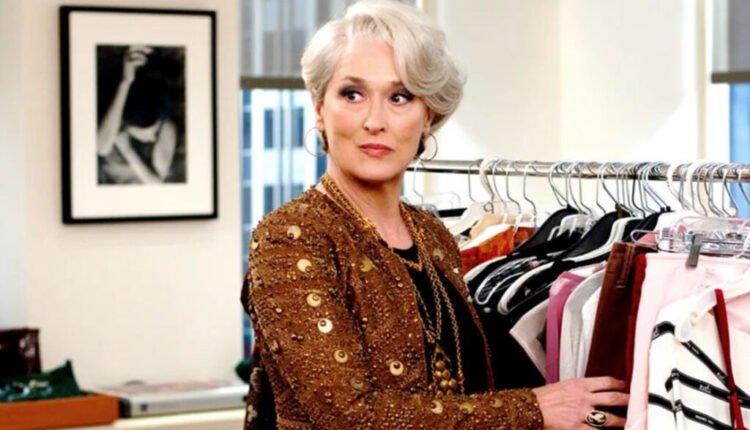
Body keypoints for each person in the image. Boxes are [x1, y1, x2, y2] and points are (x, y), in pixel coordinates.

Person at [240, 1, 629, 429]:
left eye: (399, 97)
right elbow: (346, 416)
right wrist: (534, 409)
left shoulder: (431, 234)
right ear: (319, 109)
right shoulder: (292, 238)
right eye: (352, 94)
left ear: (427, 117)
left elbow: (467, 389)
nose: (375, 120)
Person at [97, 45, 183, 185]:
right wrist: (126, 82)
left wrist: (128, 150)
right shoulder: (113, 123)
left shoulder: (164, 123)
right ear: (125, 125)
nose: (153, 137)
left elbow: (156, 184)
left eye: (155, 130)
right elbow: (102, 148)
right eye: (149, 132)